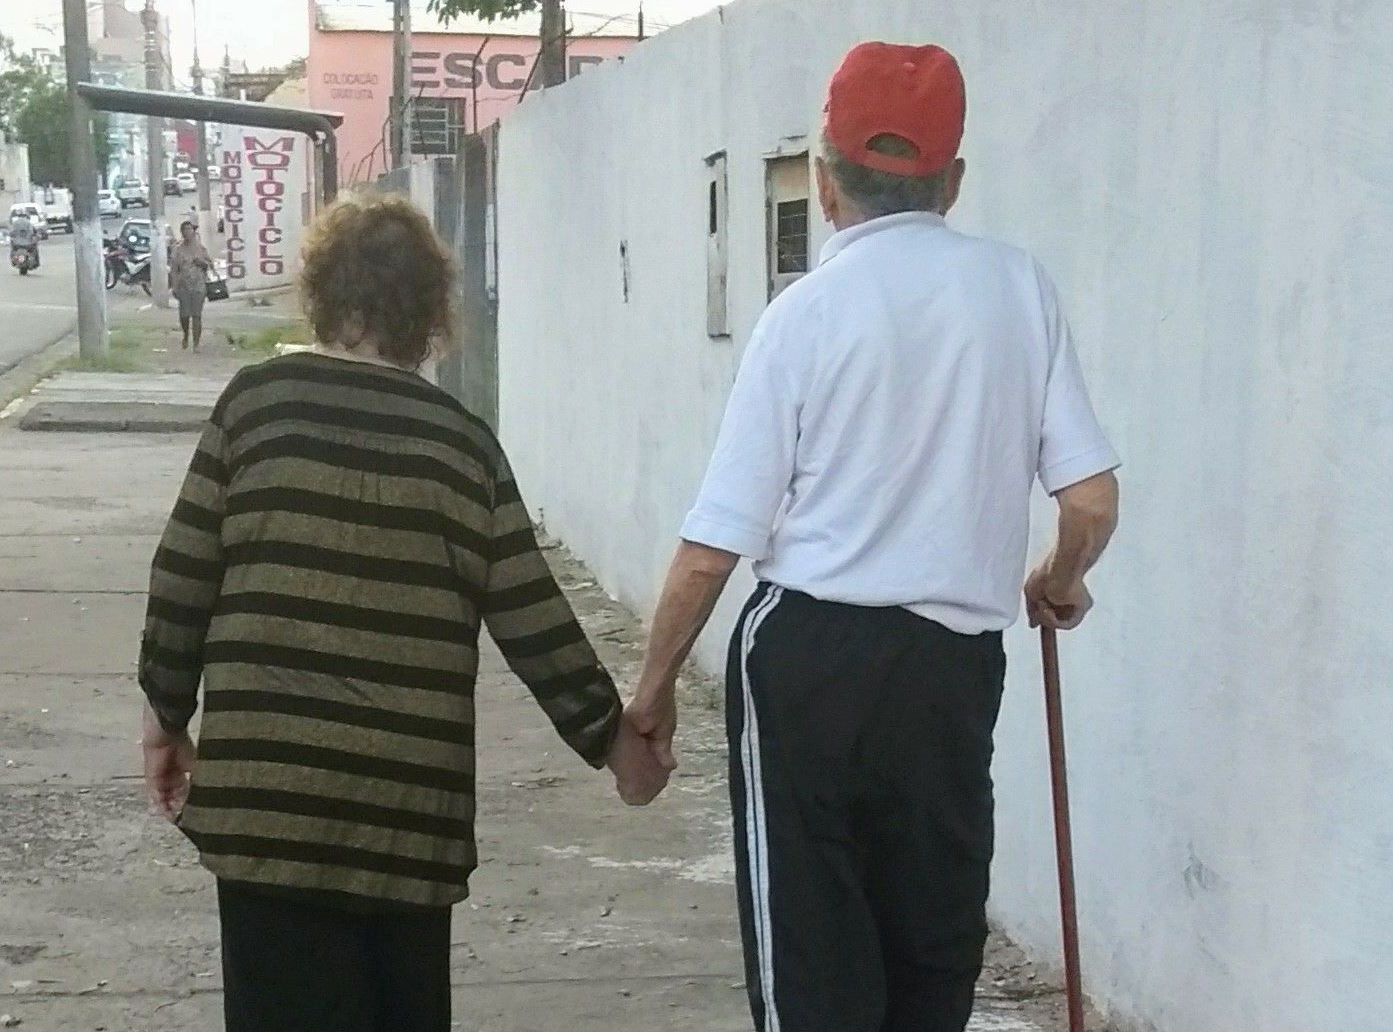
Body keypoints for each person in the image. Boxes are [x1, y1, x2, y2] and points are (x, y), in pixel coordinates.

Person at [622, 42, 1121, 1032]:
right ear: (954, 180)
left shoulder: (801, 315)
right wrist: (1057, 581)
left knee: (813, 950)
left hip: (809, 657)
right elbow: (1091, 500)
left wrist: (648, 697)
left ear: (822, 181)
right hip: (952, 664)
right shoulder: (1020, 290)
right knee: (932, 942)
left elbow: (712, 548)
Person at [137, 194, 668, 1032]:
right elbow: (534, 618)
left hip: (268, 801)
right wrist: (613, 742)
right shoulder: (461, 446)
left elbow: (182, 578)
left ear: (320, 293)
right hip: (407, 821)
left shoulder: (254, 408)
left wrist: (166, 719)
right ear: (429, 314)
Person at [168, 218, 211, 350]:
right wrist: (174, 286)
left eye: (189, 229)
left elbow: (209, 265)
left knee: (197, 315)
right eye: (184, 230)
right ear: (181, 232)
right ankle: (186, 335)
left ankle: (196, 344)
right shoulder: (177, 250)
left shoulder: (201, 248)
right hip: (183, 286)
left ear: (193, 232)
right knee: (184, 315)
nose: (187, 232)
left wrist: (202, 263)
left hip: (199, 285)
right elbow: (174, 269)